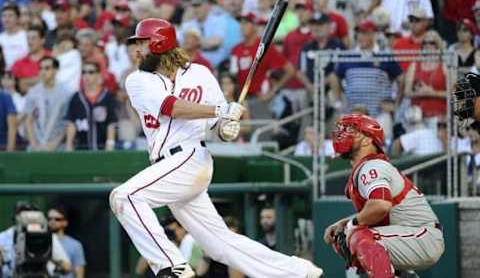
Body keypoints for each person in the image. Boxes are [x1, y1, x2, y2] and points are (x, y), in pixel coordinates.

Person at [108, 18, 323, 278]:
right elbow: (172, 107)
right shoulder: (138, 80)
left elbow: (217, 127)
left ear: (159, 44)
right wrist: (221, 110)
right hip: (169, 165)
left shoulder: (200, 73)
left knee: (125, 197)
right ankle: (298, 272)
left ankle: (171, 266)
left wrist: (224, 129)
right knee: (219, 244)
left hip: (190, 158)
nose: (136, 51)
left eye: (141, 44)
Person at [324, 114, 444, 277]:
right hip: (413, 235)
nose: (343, 133)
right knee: (348, 236)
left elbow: (381, 206)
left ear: (367, 139)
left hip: (422, 236)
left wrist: (351, 225)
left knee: (360, 237)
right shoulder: (369, 166)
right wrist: (345, 223)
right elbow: (380, 209)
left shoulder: (371, 166)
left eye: (352, 130)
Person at [0, 201, 72, 278]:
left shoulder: (47, 236)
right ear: (15, 218)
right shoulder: (3, 238)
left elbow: (67, 267)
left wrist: (55, 262)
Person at [65, 61, 117, 151]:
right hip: (80, 150)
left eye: (91, 72)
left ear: (98, 75)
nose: (87, 75)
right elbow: (71, 123)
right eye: (84, 72)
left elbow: (111, 124)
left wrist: (110, 145)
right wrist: (69, 145)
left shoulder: (107, 97)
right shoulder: (76, 97)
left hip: (102, 149)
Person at [24, 56, 70, 151]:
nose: (43, 71)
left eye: (47, 68)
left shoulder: (66, 93)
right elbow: (28, 120)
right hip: (35, 146)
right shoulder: (33, 92)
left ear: (56, 70)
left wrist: (54, 144)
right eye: (41, 68)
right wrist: (34, 145)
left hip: (58, 147)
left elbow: (68, 123)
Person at [47, 205, 86, 278]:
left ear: (65, 222)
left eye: (57, 219)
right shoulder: (40, 243)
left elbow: (79, 274)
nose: (52, 221)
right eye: (49, 219)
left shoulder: (75, 245)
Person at [0, 4, 28, 70]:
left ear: (18, 18)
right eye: (4, 16)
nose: (6, 19)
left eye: (10, 16)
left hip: (22, 73)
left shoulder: (26, 36)